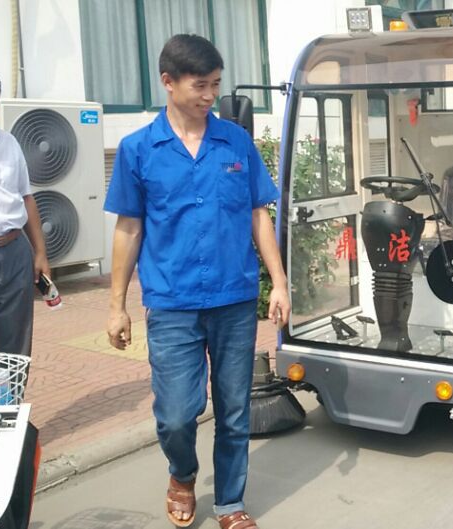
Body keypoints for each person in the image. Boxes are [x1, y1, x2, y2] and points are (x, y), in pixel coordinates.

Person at [104, 35, 289, 529]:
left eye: (216, 85)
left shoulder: (235, 142)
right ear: (168, 82)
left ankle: (230, 503)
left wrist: (279, 281)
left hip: (234, 297)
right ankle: (182, 473)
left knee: (234, 409)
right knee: (177, 413)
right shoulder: (138, 149)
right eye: (200, 85)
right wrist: (116, 306)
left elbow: (258, 214)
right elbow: (128, 229)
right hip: (172, 301)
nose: (210, 96)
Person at [0, 69, 50, 358]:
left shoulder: (9, 143)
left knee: (12, 350)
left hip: (15, 253)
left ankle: (5, 391)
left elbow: (27, 198)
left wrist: (40, 253)